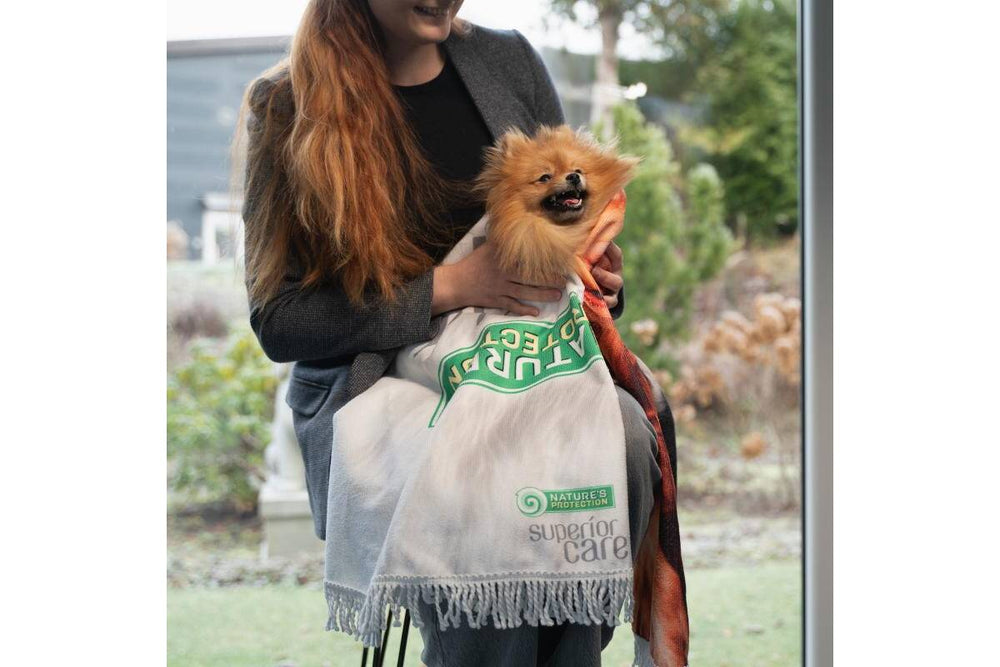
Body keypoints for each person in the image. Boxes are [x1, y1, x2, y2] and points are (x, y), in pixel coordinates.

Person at [238, 1, 665, 665]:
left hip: (526, 361)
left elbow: (566, 218)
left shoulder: (508, 62)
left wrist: (592, 270)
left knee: (628, 434)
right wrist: (451, 286)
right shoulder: (286, 105)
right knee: (485, 475)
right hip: (381, 389)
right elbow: (280, 320)